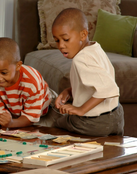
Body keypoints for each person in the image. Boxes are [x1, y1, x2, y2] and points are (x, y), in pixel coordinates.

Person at [50, 8, 124, 136]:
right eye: (57, 40)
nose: (61, 45)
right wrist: (70, 91)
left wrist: (81, 110)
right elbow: (99, 82)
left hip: (95, 122)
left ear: (83, 35)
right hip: (116, 116)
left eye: (66, 39)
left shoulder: (81, 59)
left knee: (56, 122)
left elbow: (109, 89)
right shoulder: (95, 48)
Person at [0, 37, 53, 129]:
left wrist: (12, 123)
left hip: (43, 109)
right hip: (15, 110)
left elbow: (30, 118)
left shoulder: (32, 82)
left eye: (4, 73)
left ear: (18, 66)